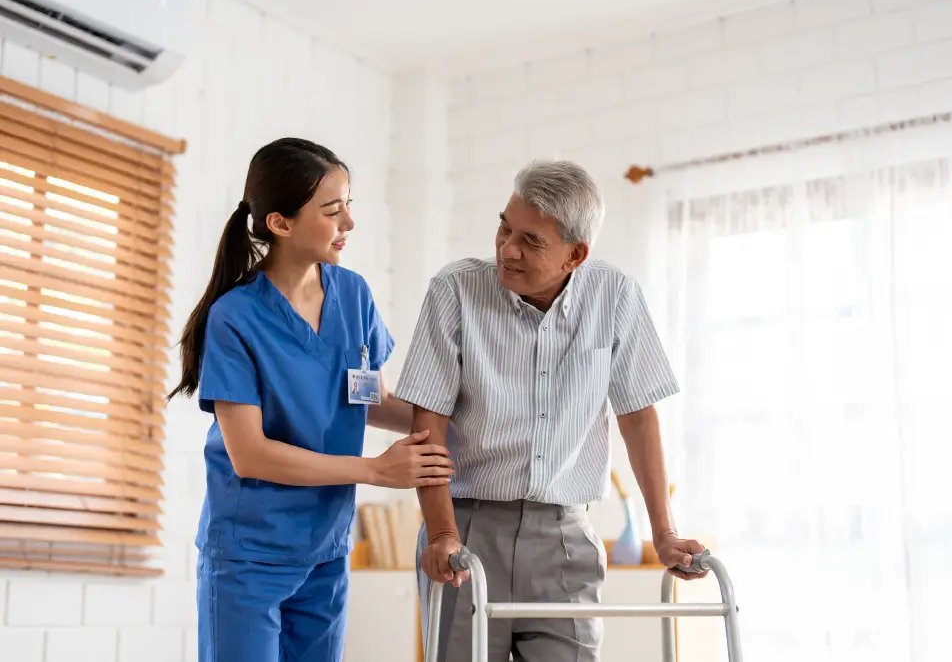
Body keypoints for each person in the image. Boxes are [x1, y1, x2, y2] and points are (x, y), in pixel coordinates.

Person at [394, 160, 707, 662]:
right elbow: (427, 426)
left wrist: (663, 533)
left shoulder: (615, 295)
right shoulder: (454, 291)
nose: (507, 249)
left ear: (575, 255)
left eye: (531, 241)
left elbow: (637, 417)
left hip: (565, 538)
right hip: (468, 531)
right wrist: (442, 532)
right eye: (504, 227)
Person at [165, 138, 453, 662]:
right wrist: (375, 471)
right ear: (280, 223)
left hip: (326, 550)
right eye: (331, 209)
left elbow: (368, 399)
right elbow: (249, 453)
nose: (348, 222)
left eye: (349, 205)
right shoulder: (235, 318)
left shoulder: (354, 295)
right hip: (249, 554)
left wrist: (457, 419)